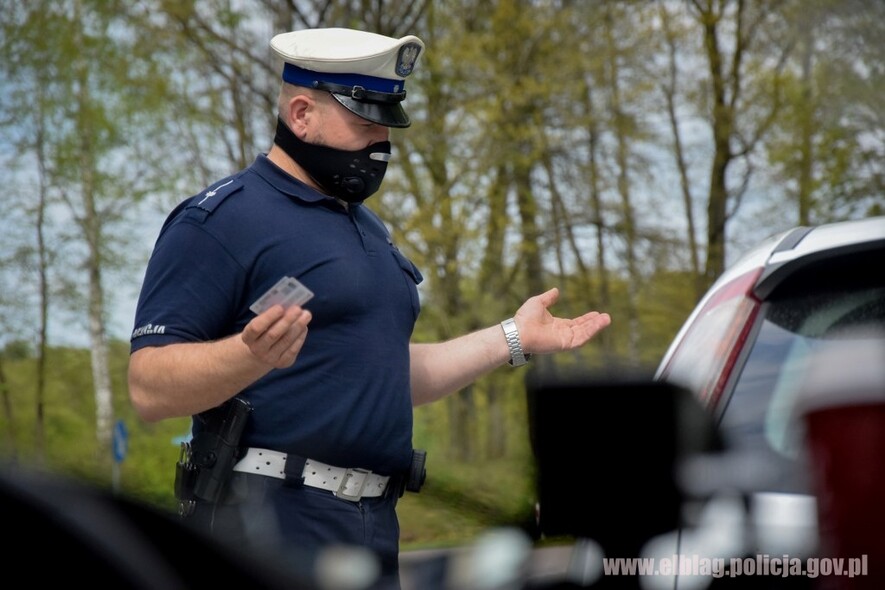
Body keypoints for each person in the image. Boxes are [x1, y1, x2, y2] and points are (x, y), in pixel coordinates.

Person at [127, 27, 611, 588]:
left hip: (374, 528)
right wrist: (247, 355)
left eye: (387, 123)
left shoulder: (369, 231)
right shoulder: (221, 220)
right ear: (302, 113)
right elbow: (148, 387)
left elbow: (384, 372)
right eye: (364, 122)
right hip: (269, 529)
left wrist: (513, 337)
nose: (382, 141)